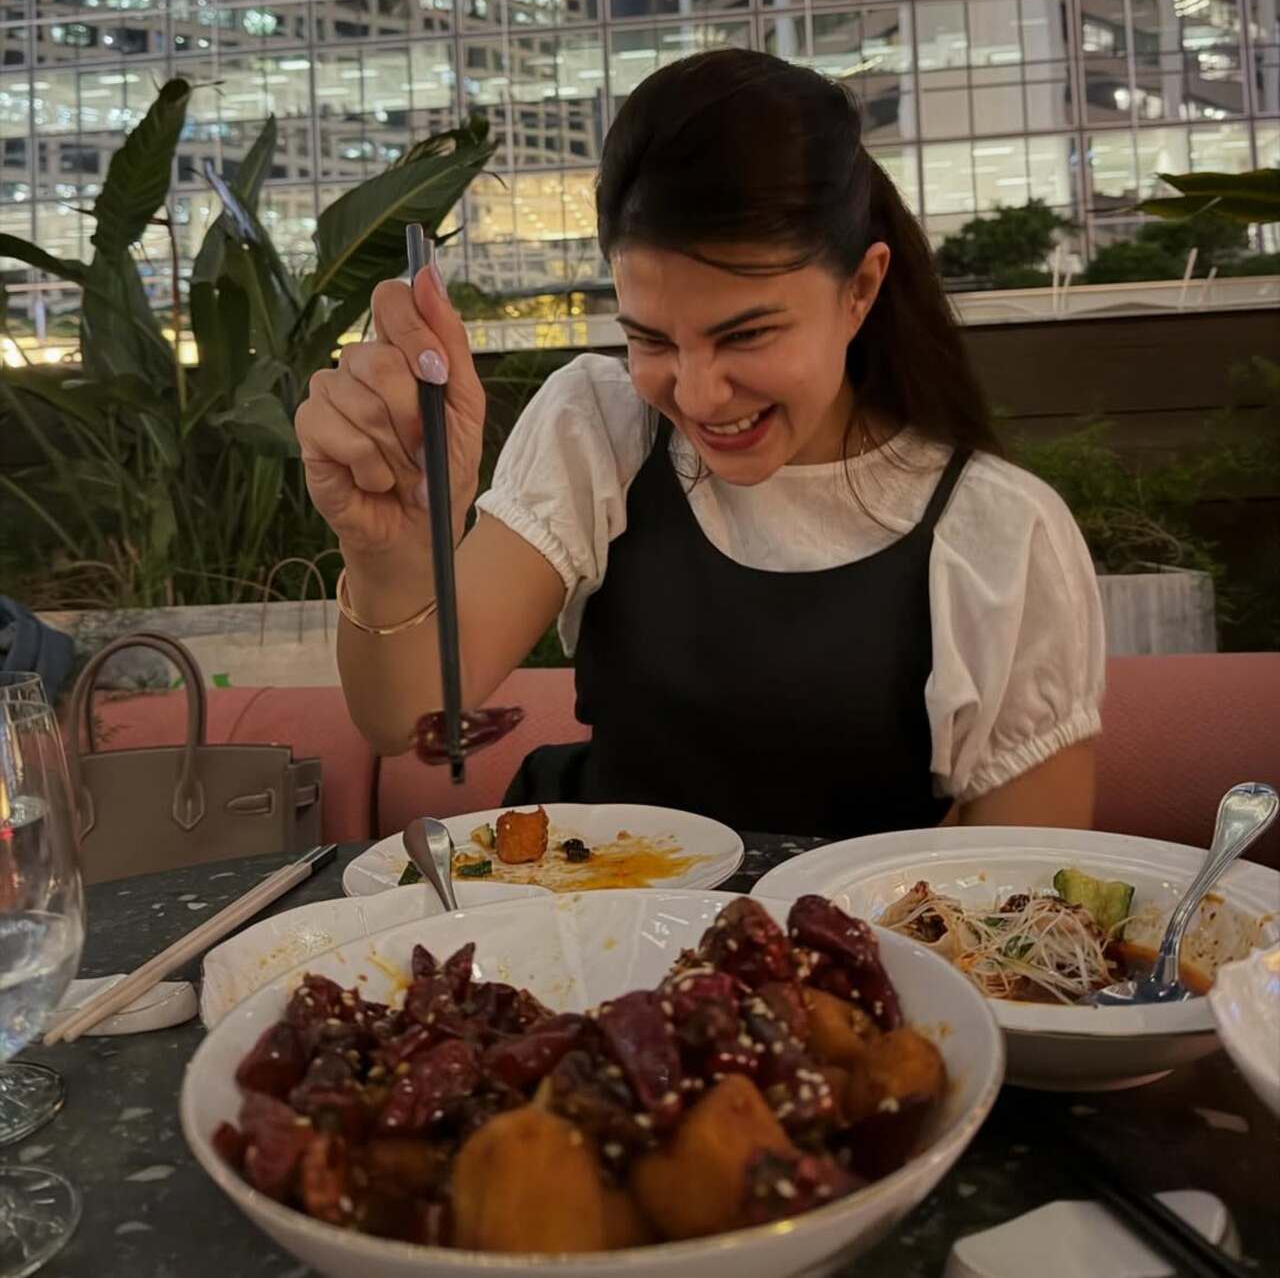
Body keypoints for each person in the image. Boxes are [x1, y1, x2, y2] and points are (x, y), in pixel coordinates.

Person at [296, 50, 1103, 837]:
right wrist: (390, 549)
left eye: (745, 334)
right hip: (586, 911)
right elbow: (405, 717)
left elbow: (1021, 890)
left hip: (842, 933)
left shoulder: (997, 534)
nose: (698, 393)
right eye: (651, 339)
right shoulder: (602, 429)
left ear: (860, 289)